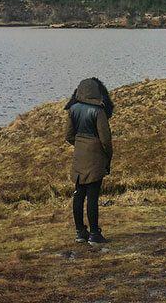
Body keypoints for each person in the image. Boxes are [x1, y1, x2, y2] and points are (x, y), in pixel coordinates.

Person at [64, 77, 114, 244]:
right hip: (95, 157)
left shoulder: (73, 109)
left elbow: (68, 135)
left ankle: (80, 232)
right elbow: (105, 139)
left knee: (79, 194)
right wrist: (107, 155)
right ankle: (94, 233)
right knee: (92, 196)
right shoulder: (98, 111)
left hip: (79, 155)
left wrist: (79, 144)